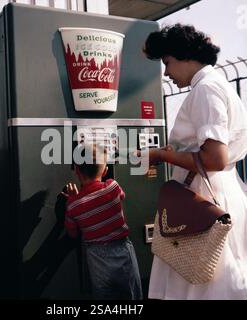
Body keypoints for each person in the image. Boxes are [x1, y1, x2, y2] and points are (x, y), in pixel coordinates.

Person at [143, 24, 247, 299]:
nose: (167, 73)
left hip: (202, 199)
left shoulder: (205, 90)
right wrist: (178, 151)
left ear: (185, 55)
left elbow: (213, 158)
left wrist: (162, 155)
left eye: (168, 63)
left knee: (199, 283)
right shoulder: (219, 84)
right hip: (220, 192)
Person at [62, 144, 143, 300]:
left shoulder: (73, 205)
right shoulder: (113, 187)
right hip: (121, 250)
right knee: (132, 296)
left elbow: (72, 233)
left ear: (77, 170)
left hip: (96, 256)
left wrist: (74, 198)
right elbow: (121, 196)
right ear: (105, 171)